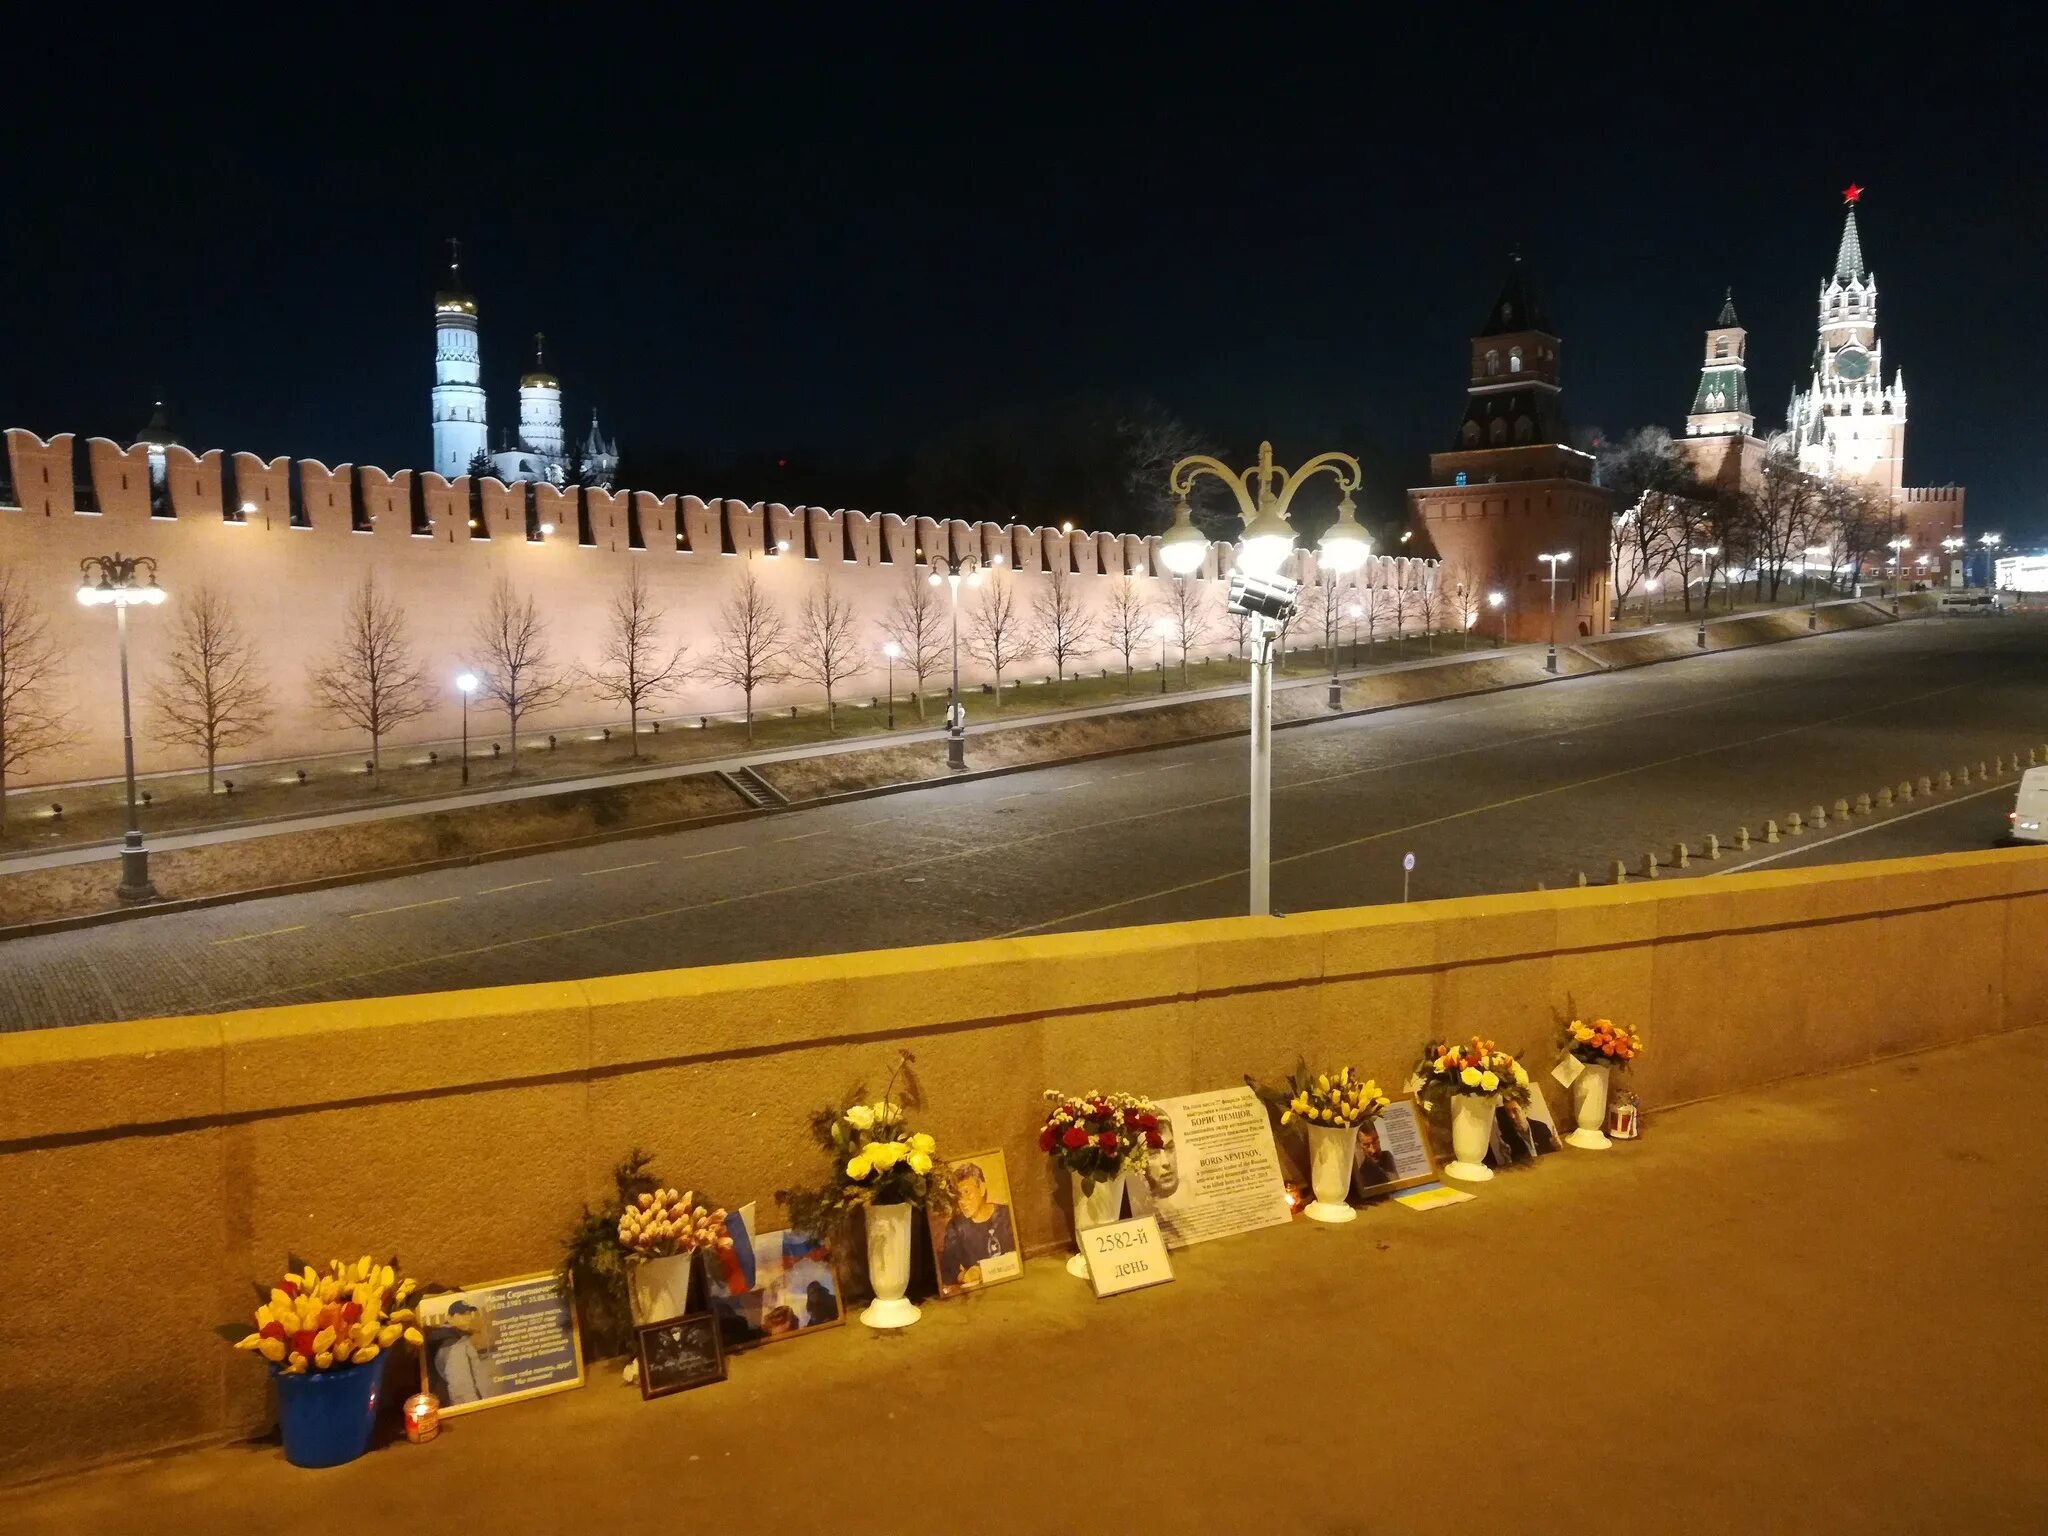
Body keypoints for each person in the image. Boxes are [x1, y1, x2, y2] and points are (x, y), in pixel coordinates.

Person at [938, 1162, 1018, 1290]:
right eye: (958, 1196)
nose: (962, 1202)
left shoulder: (1007, 1214)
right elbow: (947, 1270)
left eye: (967, 1192)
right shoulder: (955, 1227)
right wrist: (963, 1276)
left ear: (981, 1188)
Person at [427, 1300, 492, 1405]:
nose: (469, 1317)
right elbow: (461, 1387)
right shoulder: (452, 1343)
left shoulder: (457, 1337)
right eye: (463, 1314)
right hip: (464, 1404)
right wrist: (474, 1407)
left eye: (469, 1314)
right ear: (449, 1317)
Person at [1350, 1120, 1401, 1199]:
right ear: (1359, 1145)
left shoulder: (1388, 1157)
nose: (1373, 1150)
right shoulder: (1361, 1175)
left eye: (1375, 1141)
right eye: (1366, 1145)